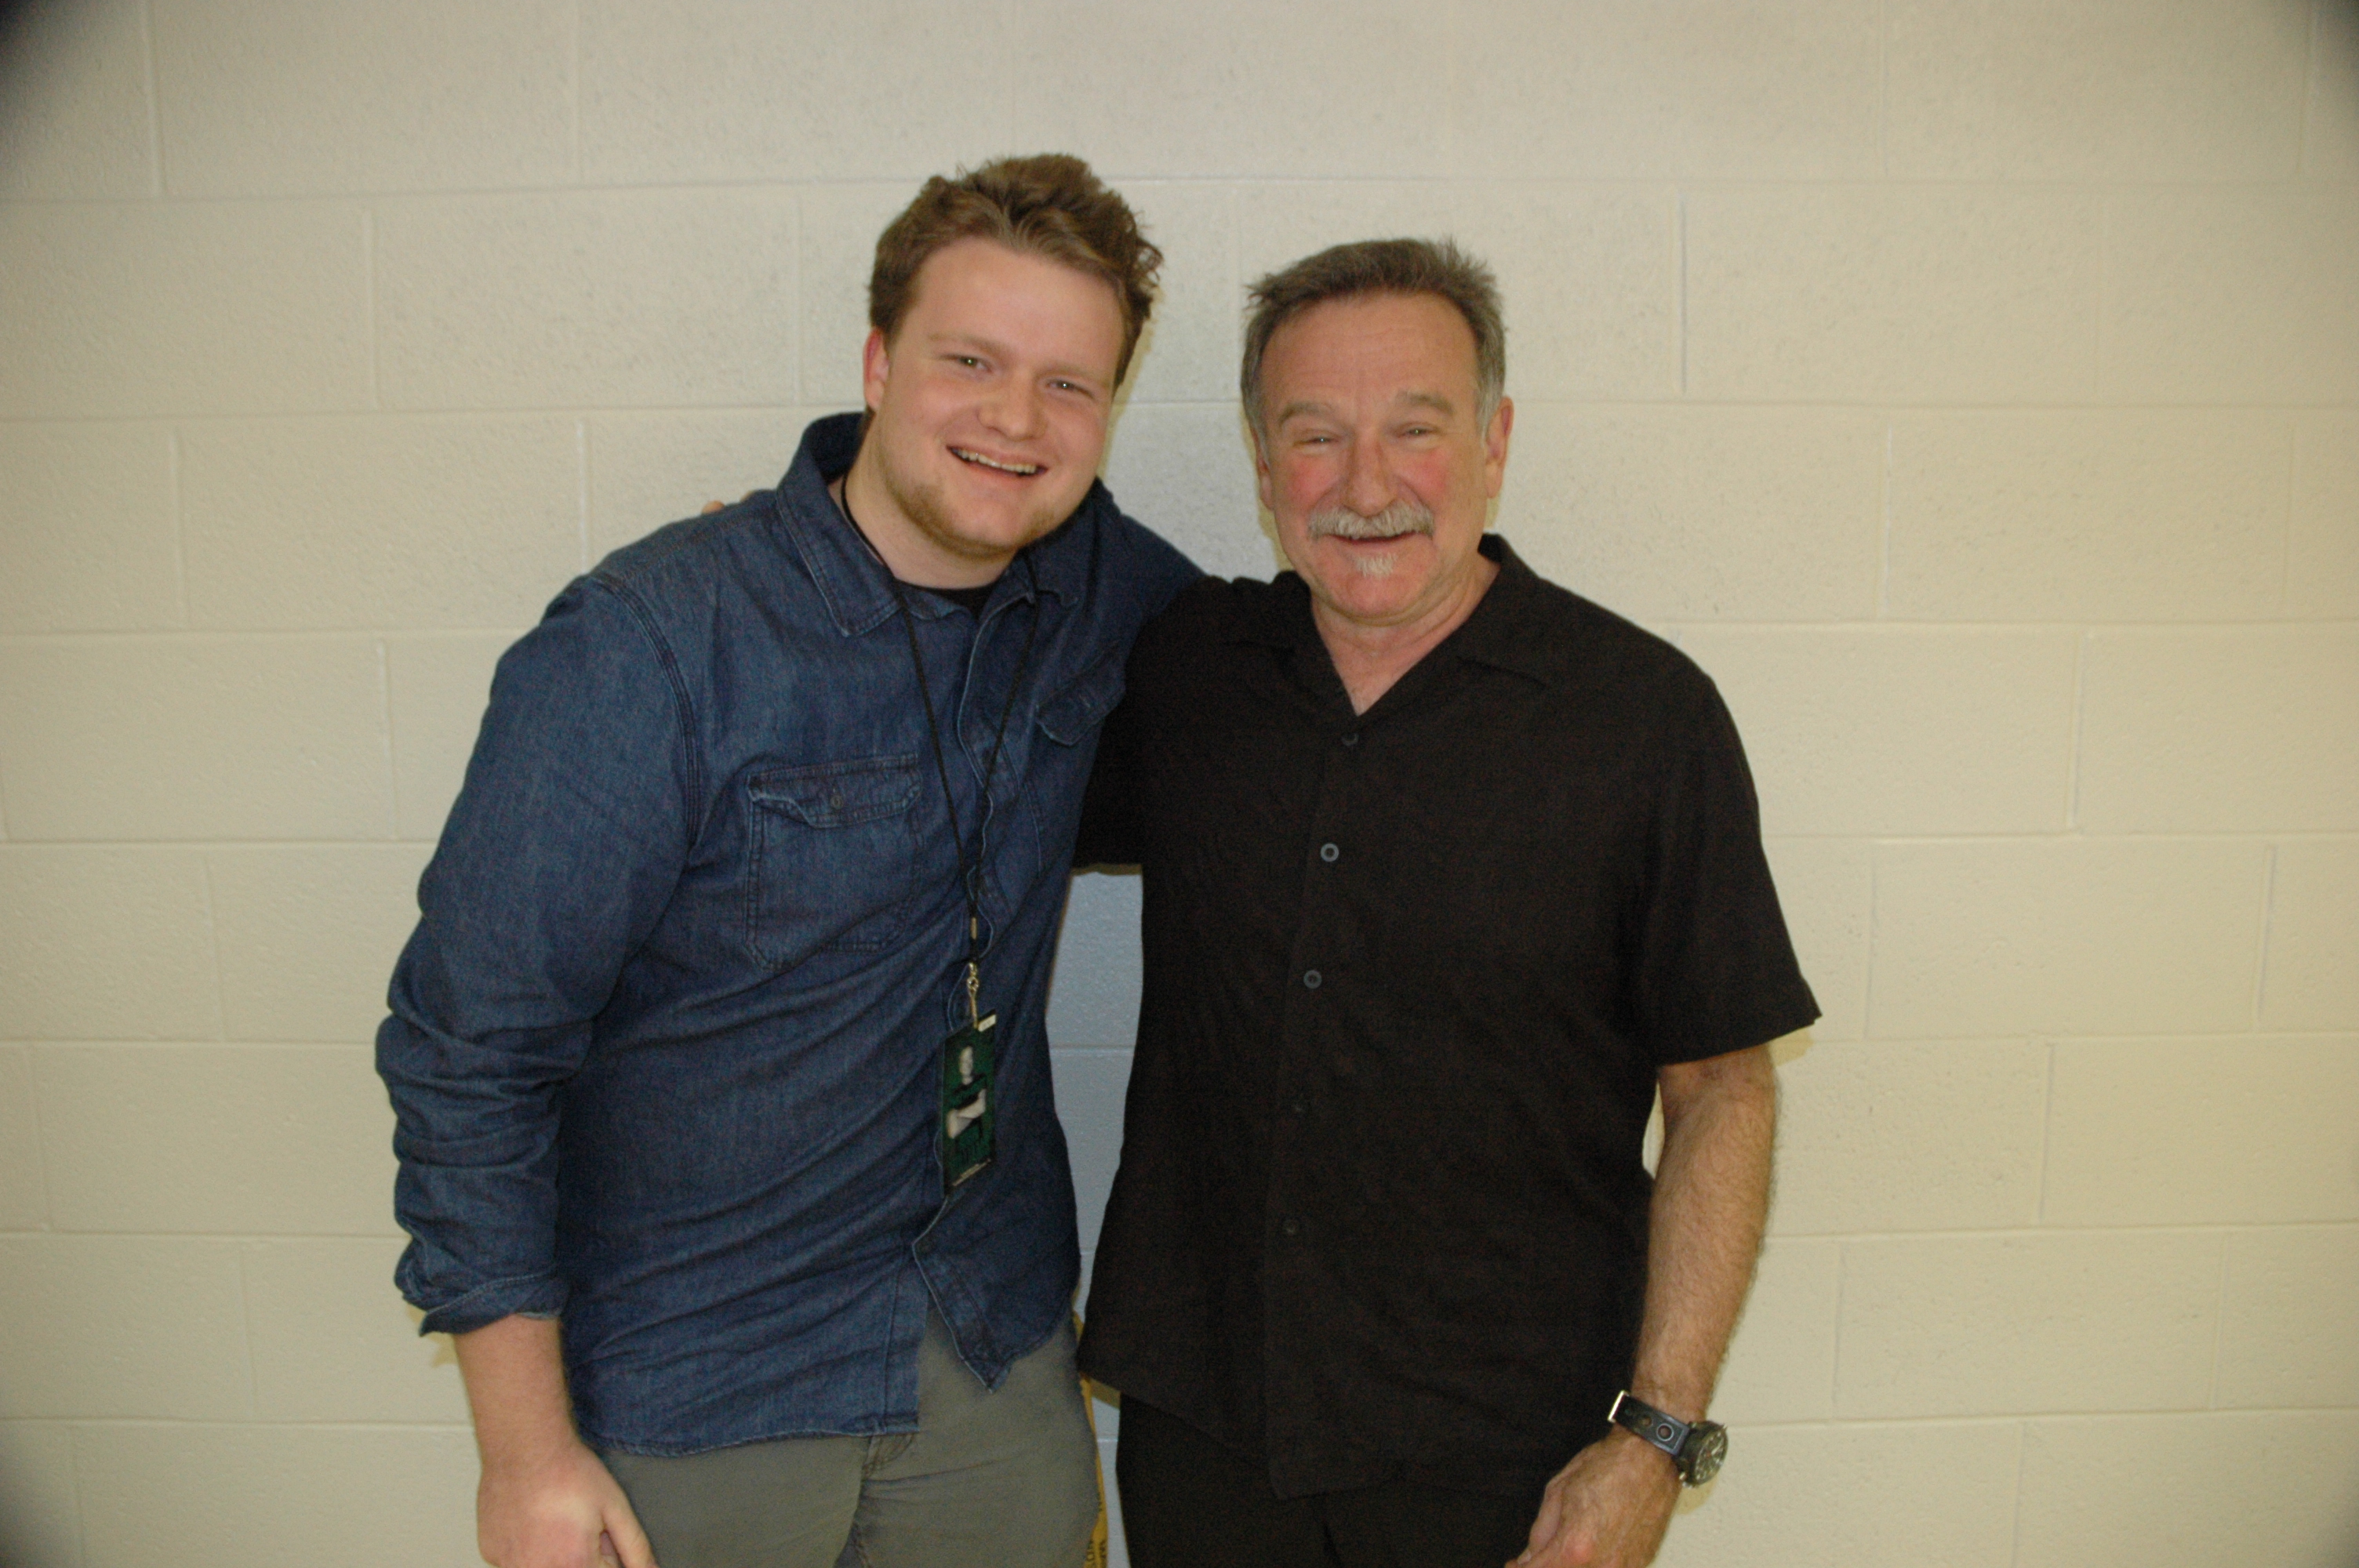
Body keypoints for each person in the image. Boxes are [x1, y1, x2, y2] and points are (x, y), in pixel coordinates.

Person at [376, 154, 1196, 1568]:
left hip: (986, 1347)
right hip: (699, 1380)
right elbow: (470, 1052)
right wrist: (524, 1462)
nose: (1016, 419)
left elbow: (1302, 689)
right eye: (971, 360)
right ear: (878, 365)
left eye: (1069, 384)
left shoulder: (1102, 592)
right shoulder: (652, 643)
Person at [1074, 239, 1817, 1568]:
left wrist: (1653, 1438)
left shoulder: (1642, 720)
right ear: (1260, 464)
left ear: (1495, 441)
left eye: (1414, 430)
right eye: (1315, 437)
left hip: (1505, 1464)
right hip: (1203, 1432)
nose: (1367, 487)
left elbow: (1725, 1093)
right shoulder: (1191, 672)